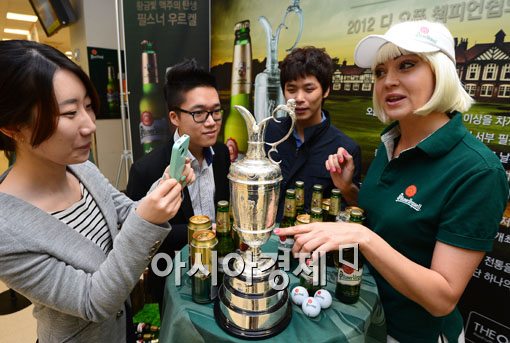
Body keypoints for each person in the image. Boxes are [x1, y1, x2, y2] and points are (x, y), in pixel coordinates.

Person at [274, 21, 508, 342]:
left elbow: (442, 298)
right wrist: (348, 189)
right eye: (380, 72)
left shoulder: (478, 170)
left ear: (441, 73)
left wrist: (362, 237)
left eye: (407, 65)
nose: (389, 81)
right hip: (364, 317)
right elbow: (389, 218)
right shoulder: (391, 142)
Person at [0, 41, 195, 342]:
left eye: (88, 107)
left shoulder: (80, 167)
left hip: (124, 327)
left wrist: (166, 183)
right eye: (68, 113)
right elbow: (93, 301)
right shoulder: (6, 231)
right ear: (14, 127)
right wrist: (147, 218)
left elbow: (128, 214)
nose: (89, 125)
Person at [126, 59, 230, 312]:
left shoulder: (222, 153)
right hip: (174, 277)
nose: (211, 121)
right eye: (199, 113)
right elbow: (136, 237)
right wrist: (204, 232)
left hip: (222, 270)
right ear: (174, 117)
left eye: (216, 111)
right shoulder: (147, 170)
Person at [264, 46, 361, 221]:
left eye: (309, 89)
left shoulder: (345, 149)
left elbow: (354, 212)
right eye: (292, 89)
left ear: (326, 91)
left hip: (313, 243)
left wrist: (346, 187)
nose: (299, 98)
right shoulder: (269, 130)